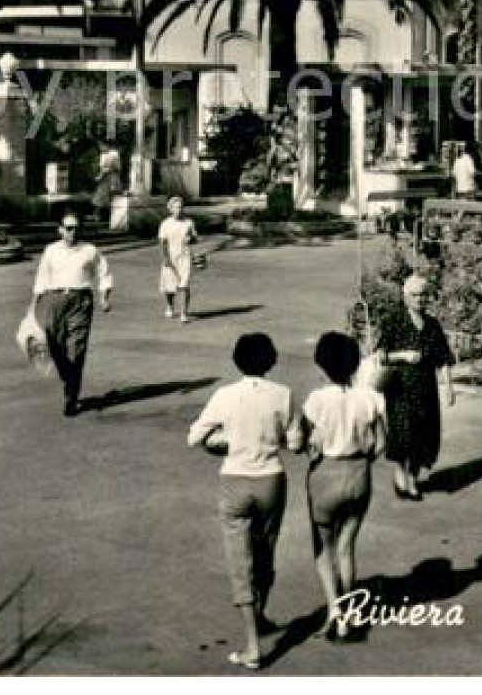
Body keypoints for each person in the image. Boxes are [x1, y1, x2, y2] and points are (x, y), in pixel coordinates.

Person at [188, 333, 304, 671]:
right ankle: (262, 613)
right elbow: (295, 444)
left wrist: (228, 440)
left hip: (234, 479)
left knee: (240, 561)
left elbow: (195, 437)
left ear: (237, 361)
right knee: (265, 552)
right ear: (271, 361)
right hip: (271, 479)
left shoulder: (225, 395)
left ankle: (253, 646)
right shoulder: (284, 395)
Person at [301, 332, 387, 642]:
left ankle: (334, 611)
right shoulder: (370, 398)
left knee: (322, 548)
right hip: (358, 474)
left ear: (321, 365)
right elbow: (380, 445)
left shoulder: (316, 399)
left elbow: (306, 445)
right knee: (346, 547)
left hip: (325, 475)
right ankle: (350, 612)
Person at [375, 273, 455, 500]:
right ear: (405, 296)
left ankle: (413, 477)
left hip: (426, 389)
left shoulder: (432, 325)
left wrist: (449, 388)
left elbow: (443, 358)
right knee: (404, 435)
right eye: (415, 295)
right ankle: (401, 474)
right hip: (400, 389)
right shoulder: (394, 321)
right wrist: (403, 355)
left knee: (424, 435)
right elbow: (381, 356)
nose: (420, 299)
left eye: (424, 295)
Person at [30, 212, 112, 417]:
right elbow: (41, 278)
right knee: (54, 343)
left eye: (76, 228)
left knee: (77, 349)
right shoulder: (50, 251)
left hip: (80, 300)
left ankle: (71, 397)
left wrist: (104, 297)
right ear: (60, 230)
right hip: (54, 299)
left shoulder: (89, 250)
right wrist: (33, 308)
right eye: (68, 228)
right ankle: (68, 376)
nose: (72, 232)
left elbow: (104, 272)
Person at [157, 195, 199, 322]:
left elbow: (195, 238)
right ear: (170, 209)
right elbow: (162, 242)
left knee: (184, 285)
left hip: (185, 257)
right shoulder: (165, 224)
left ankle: (183, 314)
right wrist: (166, 258)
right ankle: (170, 306)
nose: (179, 210)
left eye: (180, 207)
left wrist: (191, 239)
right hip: (170, 257)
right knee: (170, 286)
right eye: (176, 207)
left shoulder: (189, 222)